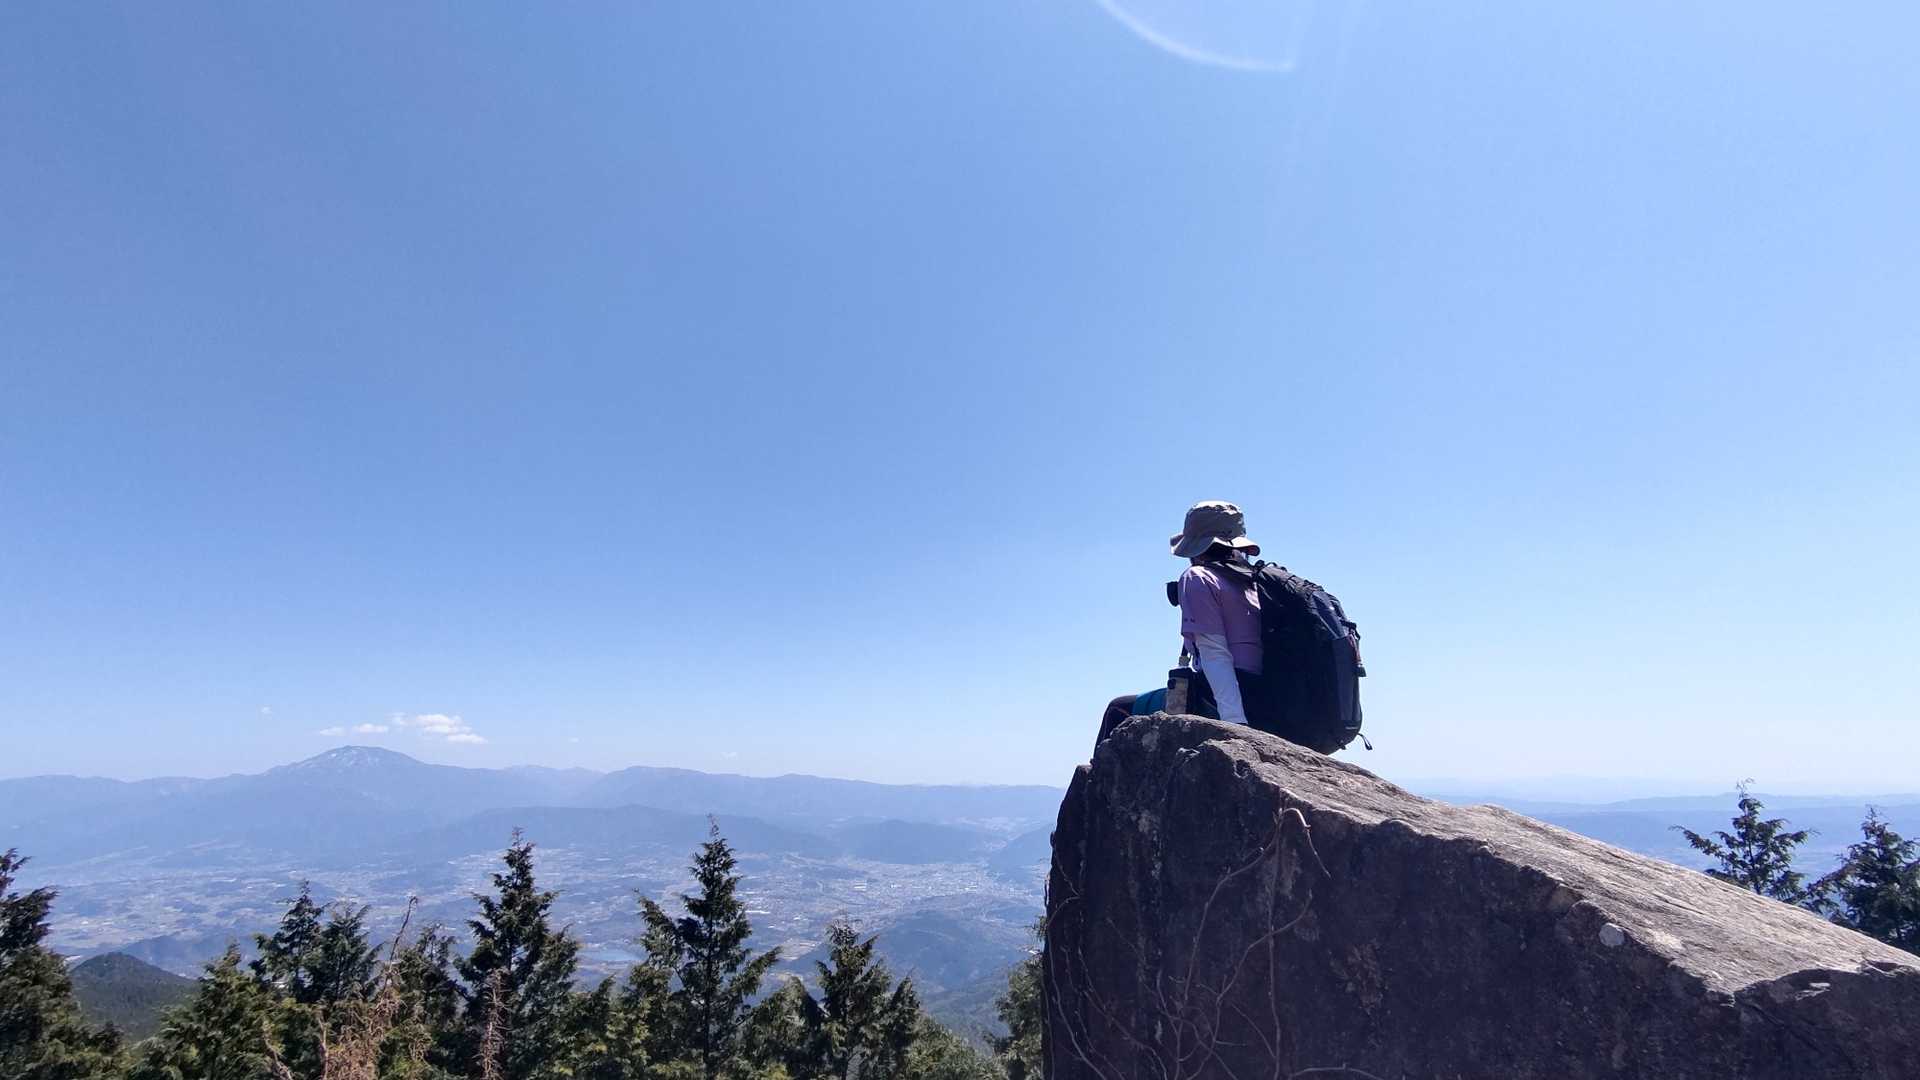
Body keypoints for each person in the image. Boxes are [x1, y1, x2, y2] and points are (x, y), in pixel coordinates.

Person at [1097, 501, 1265, 747]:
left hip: (1230, 694)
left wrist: (1235, 724)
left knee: (1118, 709)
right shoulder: (1254, 581)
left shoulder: (1198, 577)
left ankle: (1100, 774)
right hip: (1265, 691)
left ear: (1196, 546)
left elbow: (1214, 654)